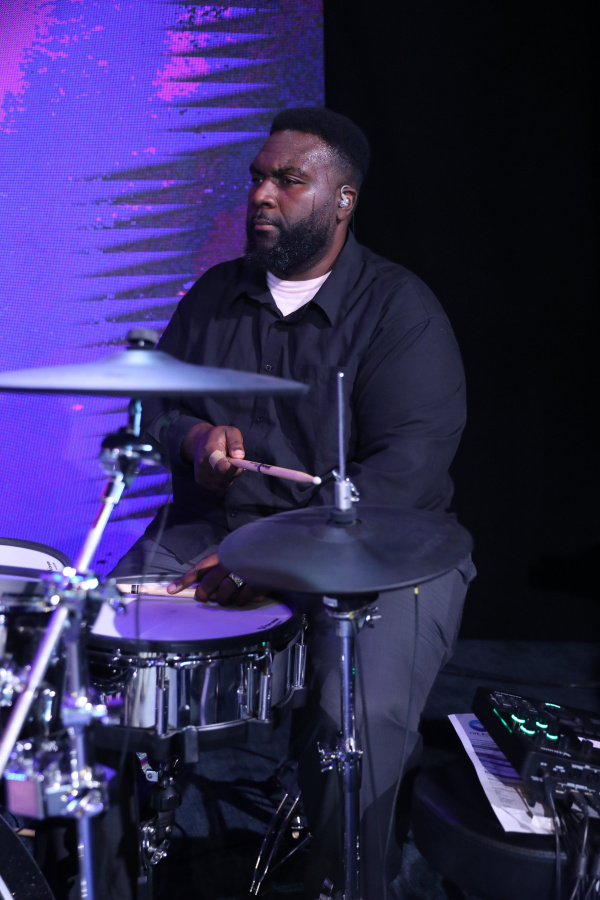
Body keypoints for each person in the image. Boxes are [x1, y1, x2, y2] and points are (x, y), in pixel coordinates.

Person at [110, 106, 474, 900]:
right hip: (215, 531)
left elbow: (407, 473)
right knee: (105, 659)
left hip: (385, 554)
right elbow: (157, 411)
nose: (261, 196)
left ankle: (344, 882)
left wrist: (270, 560)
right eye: (257, 179)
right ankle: (115, 868)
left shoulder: (400, 312)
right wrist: (195, 440)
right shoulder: (214, 296)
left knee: (359, 721)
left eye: (288, 180)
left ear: (343, 200)